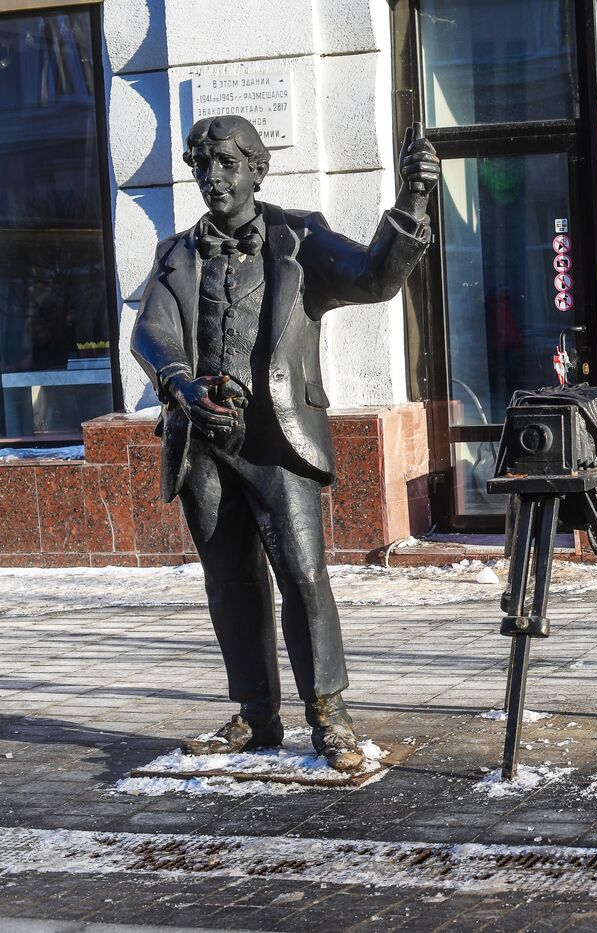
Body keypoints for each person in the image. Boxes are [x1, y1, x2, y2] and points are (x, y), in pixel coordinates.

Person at [131, 115, 440, 771]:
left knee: (303, 576)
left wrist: (411, 202)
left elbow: (375, 277)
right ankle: (254, 713)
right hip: (203, 441)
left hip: (278, 440)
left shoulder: (299, 237)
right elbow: (150, 332)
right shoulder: (176, 252)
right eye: (202, 165)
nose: (213, 177)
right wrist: (182, 387)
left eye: (226, 164)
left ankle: (328, 711)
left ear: (256, 170)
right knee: (230, 584)